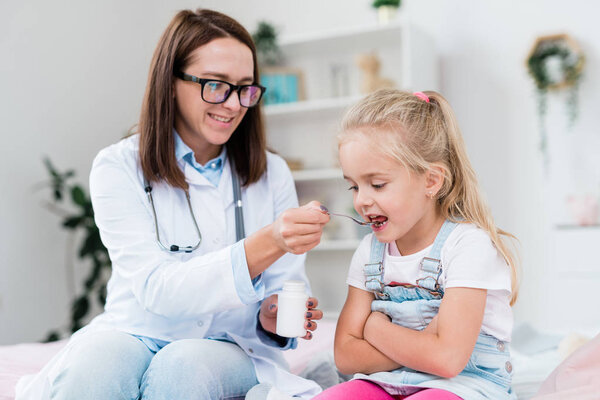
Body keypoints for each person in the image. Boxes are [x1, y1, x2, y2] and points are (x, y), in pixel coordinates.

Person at [16, 8, 329, 400]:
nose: (233, 105)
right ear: (170, 82)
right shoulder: (117, 167)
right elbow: (156, 288)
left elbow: (285, 287)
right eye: (216, 85)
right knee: (90, 369)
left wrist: (273, 315)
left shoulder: (272, 172)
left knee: (182, 368)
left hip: (229, 343)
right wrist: (269, 241)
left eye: (245, 88)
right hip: (135, 330)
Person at [313, 89, 519, 400]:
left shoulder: (468, 245)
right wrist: (424, 344)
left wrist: (374, 329)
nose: (361, 200)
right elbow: (345, 355)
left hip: (463, 386)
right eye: (354, 186)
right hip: (382, 383)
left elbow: (447, 360)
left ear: (431, 181)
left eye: (378, 184)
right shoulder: (369, 252)